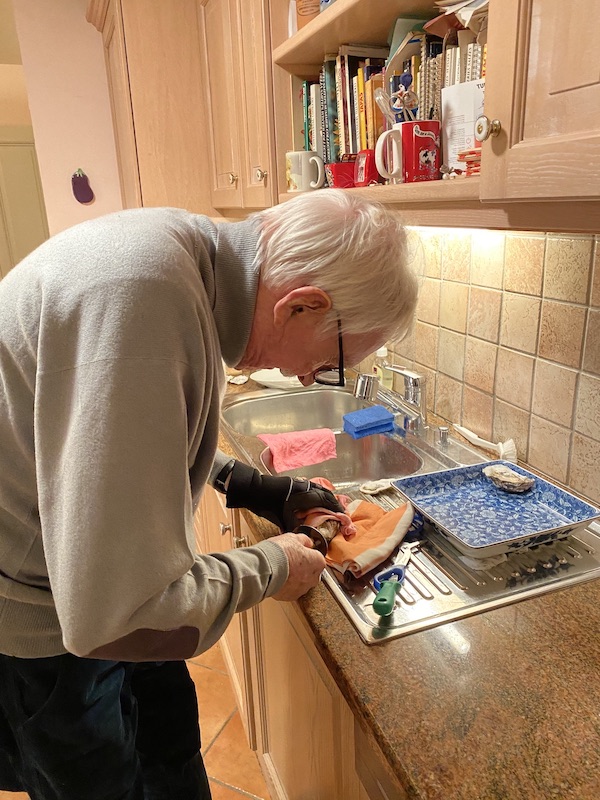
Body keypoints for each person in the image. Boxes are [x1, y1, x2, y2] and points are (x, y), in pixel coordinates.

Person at [0, 188, 418, 799]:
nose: (310, 379)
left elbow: (128, 437)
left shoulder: (182, 262)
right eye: (333, 363)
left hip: (84, 585)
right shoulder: (144, 296)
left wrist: (253, 486)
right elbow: (116, 616)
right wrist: (275, 565)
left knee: (170, 752)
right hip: (43, 620)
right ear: (301, 306)